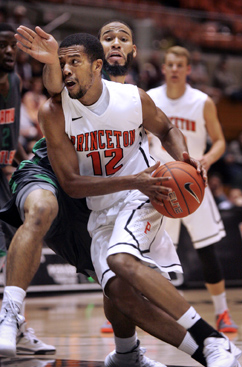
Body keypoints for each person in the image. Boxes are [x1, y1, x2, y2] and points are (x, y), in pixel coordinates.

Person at [9, 25, 242, 367]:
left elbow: (167, 129)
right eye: (63, 64)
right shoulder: (57, 110)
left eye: (75, 62)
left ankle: (213, 338)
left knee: (121, 260)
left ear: (98, 65)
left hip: (144, 196)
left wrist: (183, 157)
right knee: (117, 291)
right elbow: (71, 184)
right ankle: (158, 354)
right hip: (106, 206)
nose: (67, 70)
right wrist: (52, 57)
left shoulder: (134, 98)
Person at [147, 45, 238, 334]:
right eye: (170, 64)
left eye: (179, 65)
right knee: (151, 253)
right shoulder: (150, 98)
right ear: (163, 68)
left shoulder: (202, 101)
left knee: (207, 249)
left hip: (193, 180)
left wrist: (206, 161)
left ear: (188, 69)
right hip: (159, 183)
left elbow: (220, 141)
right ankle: (133, 311)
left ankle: (222, 312)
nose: (174, 69)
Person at [0, 23, 56, 356]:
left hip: (6, 177)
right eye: (2, 46)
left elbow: (11, 136)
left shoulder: (16, 82)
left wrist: (28, 162)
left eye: (12, 46)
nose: (9, 51)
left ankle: (15, 327)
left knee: (17, 255)